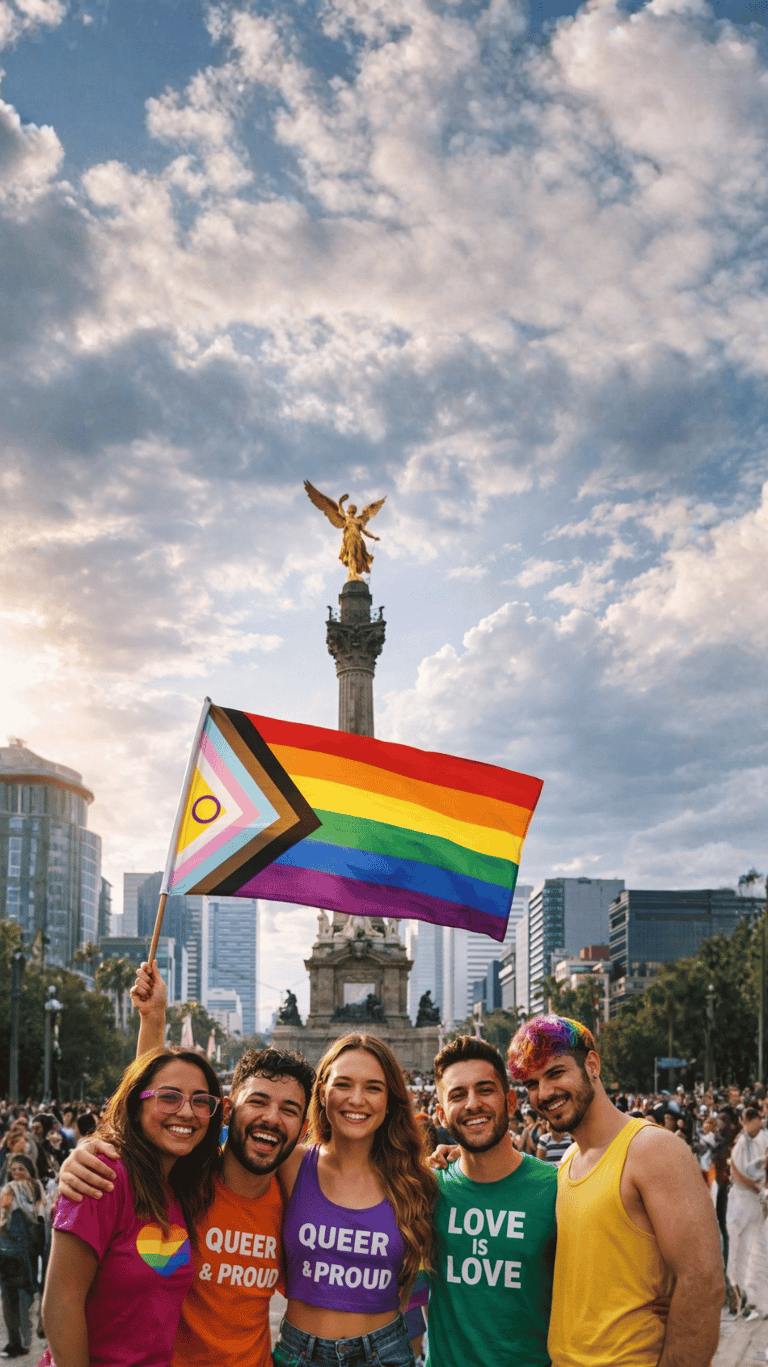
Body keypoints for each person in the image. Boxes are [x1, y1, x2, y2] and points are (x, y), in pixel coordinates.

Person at [58, 962, 315, 1367]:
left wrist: (445, 1161)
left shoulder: (297, 1198)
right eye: (259, 1102)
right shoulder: (184, 1179)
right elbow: (148, 1109)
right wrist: (153, 1020)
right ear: (227, 1111)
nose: (271, 1118)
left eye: (289, 1110)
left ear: (303, 1128)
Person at [507, 1015, 725, 1367]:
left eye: (555, 1073)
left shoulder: (653, 1150)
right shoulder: (569, 1162)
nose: (544, 1093)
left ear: (591, 1064)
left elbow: (703, 1281)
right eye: (532, 1083)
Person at [42, 1046, 223, 1367]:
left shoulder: (183, 1187)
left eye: (201, 1100)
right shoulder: (102, 1176)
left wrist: (152, 1015)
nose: (186, 1112)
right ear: (136, 1103)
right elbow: (61, 1304)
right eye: (169, 1097)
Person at [274, 1032, 436, 1367]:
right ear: (322, 1090)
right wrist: (153, 1021)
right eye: (343, 1084)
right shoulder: (288, 1164)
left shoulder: (417, 1182)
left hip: (386, 1353)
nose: (357, 1099)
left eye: (373, 1088)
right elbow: (179, 1161)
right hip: (299, 1354)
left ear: (389, 1099)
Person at [427, 1035, 557, 1367]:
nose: (472, 1104)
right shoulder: (426, 1190)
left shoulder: (558, 1190)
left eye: (485, 1090)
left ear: (511, 1102)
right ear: (441, 1115)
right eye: (458, 1095)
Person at [726, 1106, 768, 1317]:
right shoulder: (740, 1144)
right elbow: (735, 1171)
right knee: (739, 1248)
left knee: (756, 1248)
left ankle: (755, 1298)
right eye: (757, 1121)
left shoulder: (762, 1138)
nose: (760, 1124)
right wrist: (756, 1186)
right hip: (742, 1198)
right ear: (747, 1122)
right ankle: (738, 1295)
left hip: (756, 1199)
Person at [0, 1180, 36, 1358]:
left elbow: (20, 1243)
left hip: (15, 1268)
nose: (3, 1198)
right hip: (6, 1268)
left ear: (14, 1197)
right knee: (8, 1307)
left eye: (7, 1194)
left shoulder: (17, 1215)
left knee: (16, 1307)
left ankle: (19, 1344)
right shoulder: (5, 1214)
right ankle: (15, 1343)